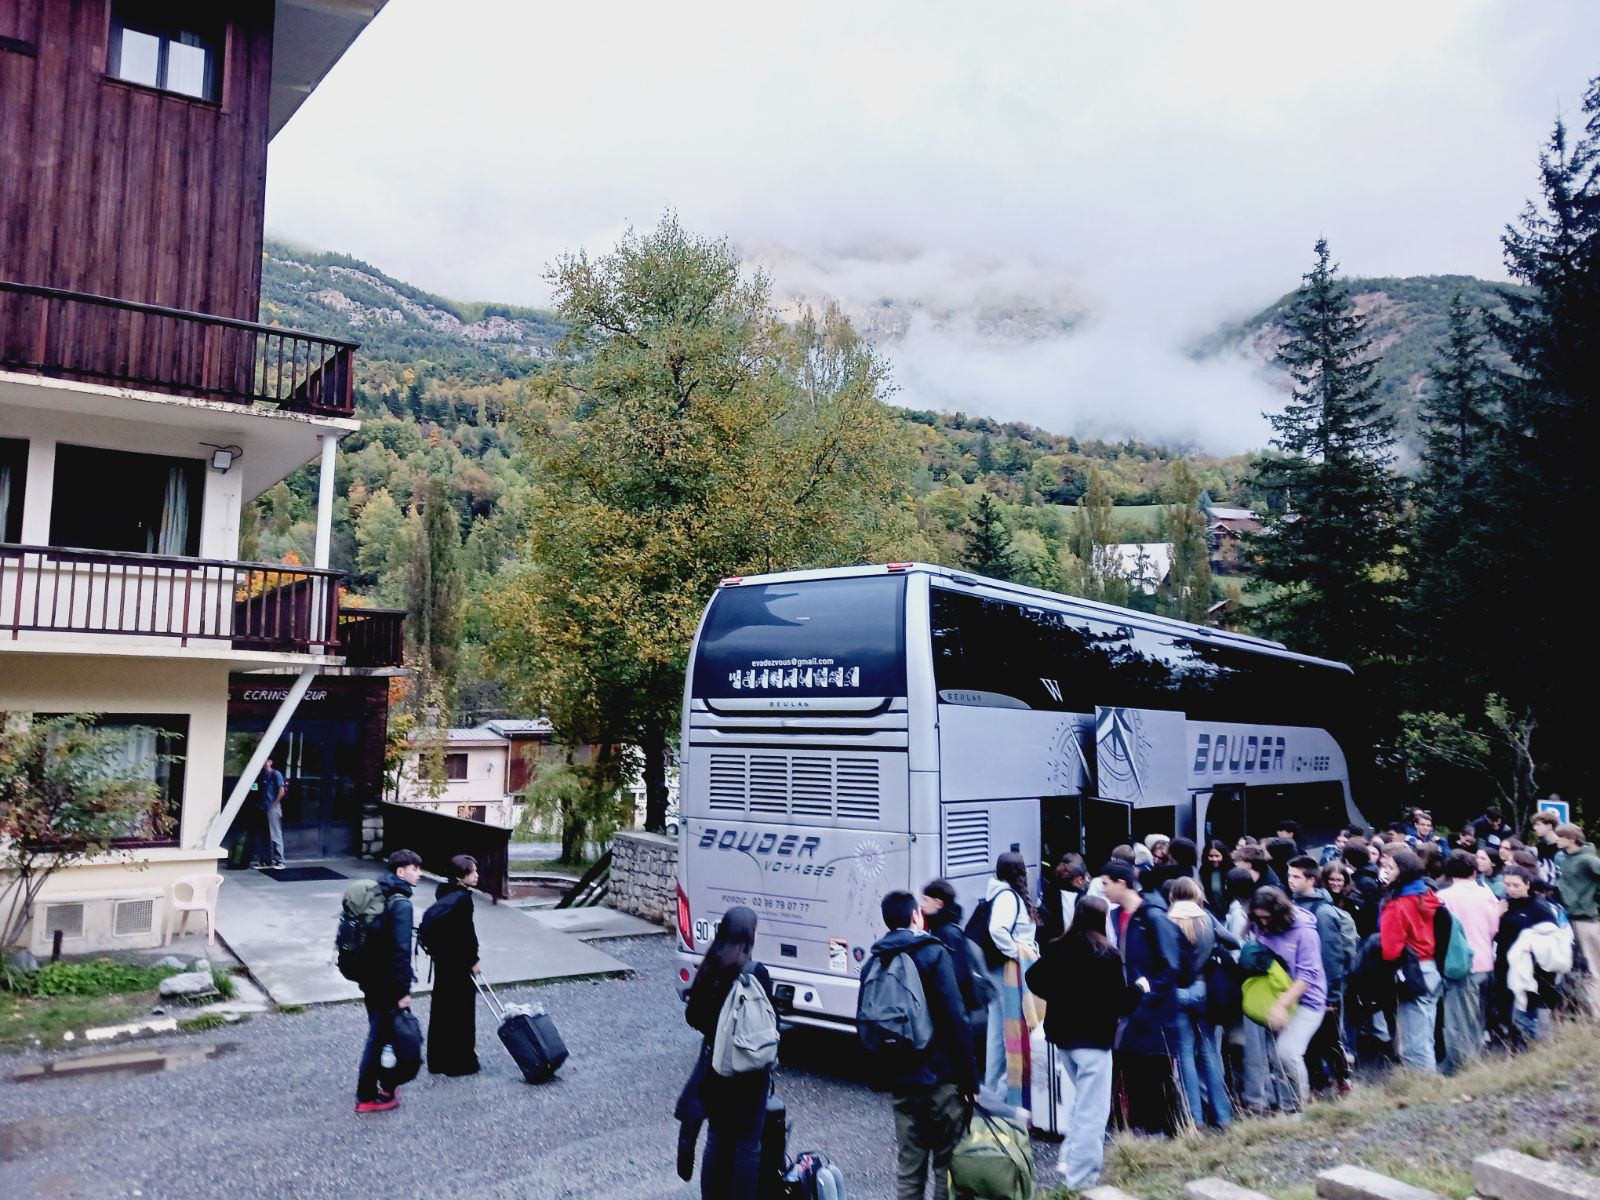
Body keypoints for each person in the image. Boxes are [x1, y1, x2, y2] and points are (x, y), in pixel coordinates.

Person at [867, 890, 977, 1200]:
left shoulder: (875, 961)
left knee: (909, 1166)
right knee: (946, 1163)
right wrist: (970, 1079)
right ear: (917, 915)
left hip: (902, 1081)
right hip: (941, 1079)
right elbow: (956, 1018)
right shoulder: (933, 953)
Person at [1027, 896, 1141, 1190]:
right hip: (1094, 1042)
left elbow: (1034, 979)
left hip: (1063, 1039)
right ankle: (1083, 1179)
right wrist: (1140, 989)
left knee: (1081, 1102)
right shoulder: (1108, 955)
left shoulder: (1057, 948)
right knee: (1094, 1111)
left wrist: (1060, 993)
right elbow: (1120, 1003)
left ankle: (1068, 1158)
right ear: (1101, 919)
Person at [684, 906, 774, 1199]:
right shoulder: (756, 973)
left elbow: (693, 1016)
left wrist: (716, 1030)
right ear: (749, 936)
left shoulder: (710, 967)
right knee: (748, 1144)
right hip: (749, 1073)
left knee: (717, 1138)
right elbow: (769, 1025)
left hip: (715, 1067)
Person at [1098, 861, 1180, 1135]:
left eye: (1106, 884)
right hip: (1133, 1010)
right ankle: (1146, 1133)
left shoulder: (1152, 917)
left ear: (1121, 883)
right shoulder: (1116, 916)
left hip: (1153, 1013)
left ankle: (1170, 1133)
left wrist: (1146, 994)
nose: (1103, 890)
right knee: (1134, 1071)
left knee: (1156, 1073)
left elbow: (1171, 966)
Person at [1166, 876, 1237, 1128]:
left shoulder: (1166, 919)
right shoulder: (1206, 918)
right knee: (1210, 1051)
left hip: (1175, 992)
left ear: (1173, 895)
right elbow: (1233, 941)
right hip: (1203, 989)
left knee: (1185, 1053)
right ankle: (1223, 1116)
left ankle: (1194, 1118)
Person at [1248, 885, 1327, 1111]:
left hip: (1307, 1002)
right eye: (1258, 918)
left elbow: (1308, 975)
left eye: (1266, 918)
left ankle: (1301, 1106)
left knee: (1287, 1053)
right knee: (1276, 1057)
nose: (1262, 923)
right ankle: (1287, 1109)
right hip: (1274, 999)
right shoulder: (1261, 927)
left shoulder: (1305, 932)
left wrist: (1283, 1004)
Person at [355, 849, 422, 1113]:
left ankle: (385, 1085)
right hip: (387, 983)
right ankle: (366, 1096)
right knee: (378, 1039)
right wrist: (403, 991)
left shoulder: (380, 894)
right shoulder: (402, 904)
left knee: (381, 1035)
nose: (419, 873)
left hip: (370, 979)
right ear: (400, 872)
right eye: (415, 868)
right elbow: (400, 951)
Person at [1287, 855, 1354, 1096]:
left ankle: (1342, 1082)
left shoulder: (1323, 912)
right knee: (1309, 1043)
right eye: (1290, 876)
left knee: (1329, 1039)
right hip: (1300, 987)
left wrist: (1331, 996)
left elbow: (1331, 956)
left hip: (1322, 991)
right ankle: (1316, 1085)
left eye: (1296, 876)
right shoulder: (1292, 906)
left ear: (1312, 880)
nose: (1291, 881)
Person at [980, 851, 1038, 1106]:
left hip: (997, 969)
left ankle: (992, 1089)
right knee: (1012, 1031)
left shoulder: (996, 893)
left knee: (997, 1032)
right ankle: (1005, 1092)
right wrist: (1018, 952)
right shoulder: (1008, 897)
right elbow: (997, 929)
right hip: (1009, 970)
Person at [1436, 850, 1500, 1074]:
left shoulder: (1444, 898)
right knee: (1478, 1019)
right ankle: (1477, 1060)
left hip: (1460, 965)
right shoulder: (1488, 895)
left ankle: (1462, 1067)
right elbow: (1494, 928)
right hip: (1486, 960)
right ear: (1475, 870)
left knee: (1458, 1021)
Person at [1378, 847, 1442, 1072]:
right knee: (1427, 1035)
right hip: (1432, 968)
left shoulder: (1397, 905)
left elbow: (1390, 950)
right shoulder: (1428, 895)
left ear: (1402, 871)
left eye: (1391, 867)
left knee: (1415, 1043)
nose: (1385, 871)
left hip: (1412, 972)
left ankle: (1423, 1091)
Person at [422, 854, 482, 1077]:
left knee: (442, 1009)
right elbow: (466, 935)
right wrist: (473, 961)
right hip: (459, 963)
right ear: (460, 876)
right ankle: (460, 1062)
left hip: (443, 960)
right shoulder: (464, 899)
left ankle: (437, 1060)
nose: (477, 875)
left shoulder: (443, 893)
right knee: (462, 1012)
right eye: (473, 872)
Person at [921, 879, 987, 1068]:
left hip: (952, 1011)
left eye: (926, 900)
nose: (922, 904)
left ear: (939, 903)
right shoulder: (943, 928)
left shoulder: (947, 933)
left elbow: (956, 976)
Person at [1491, 866, 1560, 1047]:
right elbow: (1494, 935)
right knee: (1509, 1014)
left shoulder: (1539, 908)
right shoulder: (1504, 904)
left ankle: (1538, 1051)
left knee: (1530, 1017)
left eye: (1516, 885)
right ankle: (1517, 1049)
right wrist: (1496, 916)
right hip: (1506, 966)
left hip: (1532, 971)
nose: (1511, 889)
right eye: (1507, 885)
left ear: (1527, 884)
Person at [1552, 822, 1600, 1018]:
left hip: (1587, 920)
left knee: (1593, 967)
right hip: (1572, 918)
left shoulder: (1588, 860)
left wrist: (1594, 903)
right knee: (1585, 968)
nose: (1556, 840)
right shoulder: (1566, 859)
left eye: (1560, 836)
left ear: (1571, 839)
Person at [256, 757, 287, 869]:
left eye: (268, 761)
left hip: (273, 807)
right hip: (264, 807)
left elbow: (281, 790)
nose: (265, 763)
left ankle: (280, 861)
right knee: (265, 834)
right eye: (264, 761)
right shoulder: (262, 775)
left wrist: (275, 803)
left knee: (275, 833)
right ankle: (265, 860)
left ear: (271, 762)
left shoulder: (276, 774)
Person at [1530, 813, 1562, 887]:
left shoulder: (1561, 845)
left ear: (1549, 826)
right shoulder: (1541, 845)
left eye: (1538, 824)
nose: (1534, 828)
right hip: (1546, 886)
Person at [1201, 841, 1232, 913]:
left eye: (1217, 856)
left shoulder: (1231, 870)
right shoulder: (1204, 870)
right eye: (1211, 856)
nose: (1214, 859)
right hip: (1213, 911)